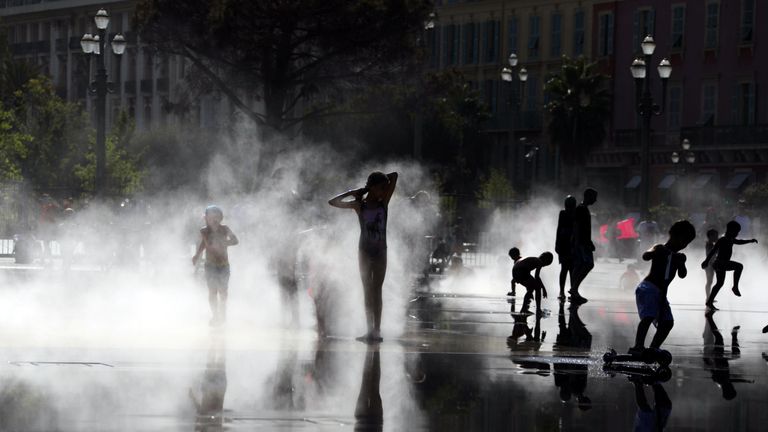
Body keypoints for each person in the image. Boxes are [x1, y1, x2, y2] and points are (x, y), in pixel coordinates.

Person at [329, 171, 398, 343]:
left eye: (384, 187)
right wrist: (354, 192)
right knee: (367, 290)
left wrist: (372, 185)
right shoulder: (360, 205)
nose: (384, 190)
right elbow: (333, 202)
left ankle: (377, 330)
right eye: (381, 187)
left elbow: (395, 175)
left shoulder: (384, 203)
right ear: (373, 188)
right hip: (364, 251)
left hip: (381, 251)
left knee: (377, 290)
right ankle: (369, 330)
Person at [630, 220, 696, 355]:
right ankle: (638, 346)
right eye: (683, 241)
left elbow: (682, 275)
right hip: (648, 288)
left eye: (687, 243)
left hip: (661, 293)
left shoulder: (678, 257)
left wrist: (682, 263)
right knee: (648, 317)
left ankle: (653, 348)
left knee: (667, 323)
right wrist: (658, 253)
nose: (684, 245)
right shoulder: (660, 248)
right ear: (673, 235)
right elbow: (646, 255)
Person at [192, 205, 239, 326]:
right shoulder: (204, 231)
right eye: (211, 217)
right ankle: (215, 315)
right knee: (212, 291)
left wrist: (226, 242)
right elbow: (204, 243)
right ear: (206, 218)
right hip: (210, 265)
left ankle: (223, 313)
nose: (214, 220)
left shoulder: (225, 229)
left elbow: (236, 240)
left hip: (224, 265)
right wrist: (197, 254)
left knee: (223, 291)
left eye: (217, 217)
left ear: (221, 218)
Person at [701, 220, 758, 310]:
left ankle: (709, 301)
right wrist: (706, 261)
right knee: (739, 266)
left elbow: (739, 242)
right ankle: (735, 287)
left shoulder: (731, 239)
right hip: (720, 263)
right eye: (736, 232)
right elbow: (713, 251)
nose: (737, 234)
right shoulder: (723, 239)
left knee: (719, 283)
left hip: (720, 264)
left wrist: (750, 241)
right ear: (730, 230)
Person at [570, 188, 597, 304]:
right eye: (594, 197)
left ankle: (574, 290)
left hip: (584, 242)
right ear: (588, 196)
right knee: (588, 264)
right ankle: (574, 289)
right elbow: (577, 226)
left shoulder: (584, 209)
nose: (595, 200)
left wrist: (589, 242)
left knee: (581, 266)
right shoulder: (581, 209)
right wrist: (576, 243)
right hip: (581, 243)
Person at [555, 196, 577, 300]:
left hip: (571, 244)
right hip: (564, 244)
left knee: (572, 269)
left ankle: (572, 290)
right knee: (565, 269)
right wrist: (557, 244)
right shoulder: (563, 213)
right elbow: (559, 228)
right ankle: (562, 291)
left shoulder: (576, 213)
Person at [704, 229, 719, 301]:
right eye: (715, 236)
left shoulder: (711, 244)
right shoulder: (709, 244)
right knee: (709, 281)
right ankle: (708, 297)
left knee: (710, 281)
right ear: (710, 236)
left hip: (712, 264)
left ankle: (709, 297)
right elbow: (713, 253)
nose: (717, 237)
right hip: (709, 265)